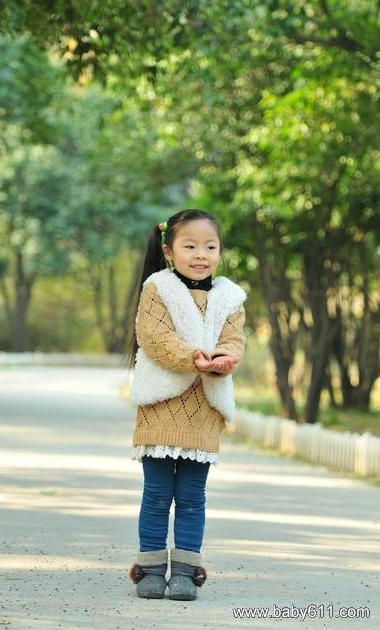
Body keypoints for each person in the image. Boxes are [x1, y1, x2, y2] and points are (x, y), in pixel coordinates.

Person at [125, 209, 247, 601]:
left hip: (203, 410)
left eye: (210, 247)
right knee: (157, 495)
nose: (200, 255)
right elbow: (155, 338)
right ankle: (150, 570)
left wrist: (224, 358)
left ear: (219, 251)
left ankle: (185, 572)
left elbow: (234, 339)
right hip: (160, 409)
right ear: (168, 250)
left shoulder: (230, 296)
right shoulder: (157, 289)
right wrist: (193, 357)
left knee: (193, 497)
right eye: (190, 246)